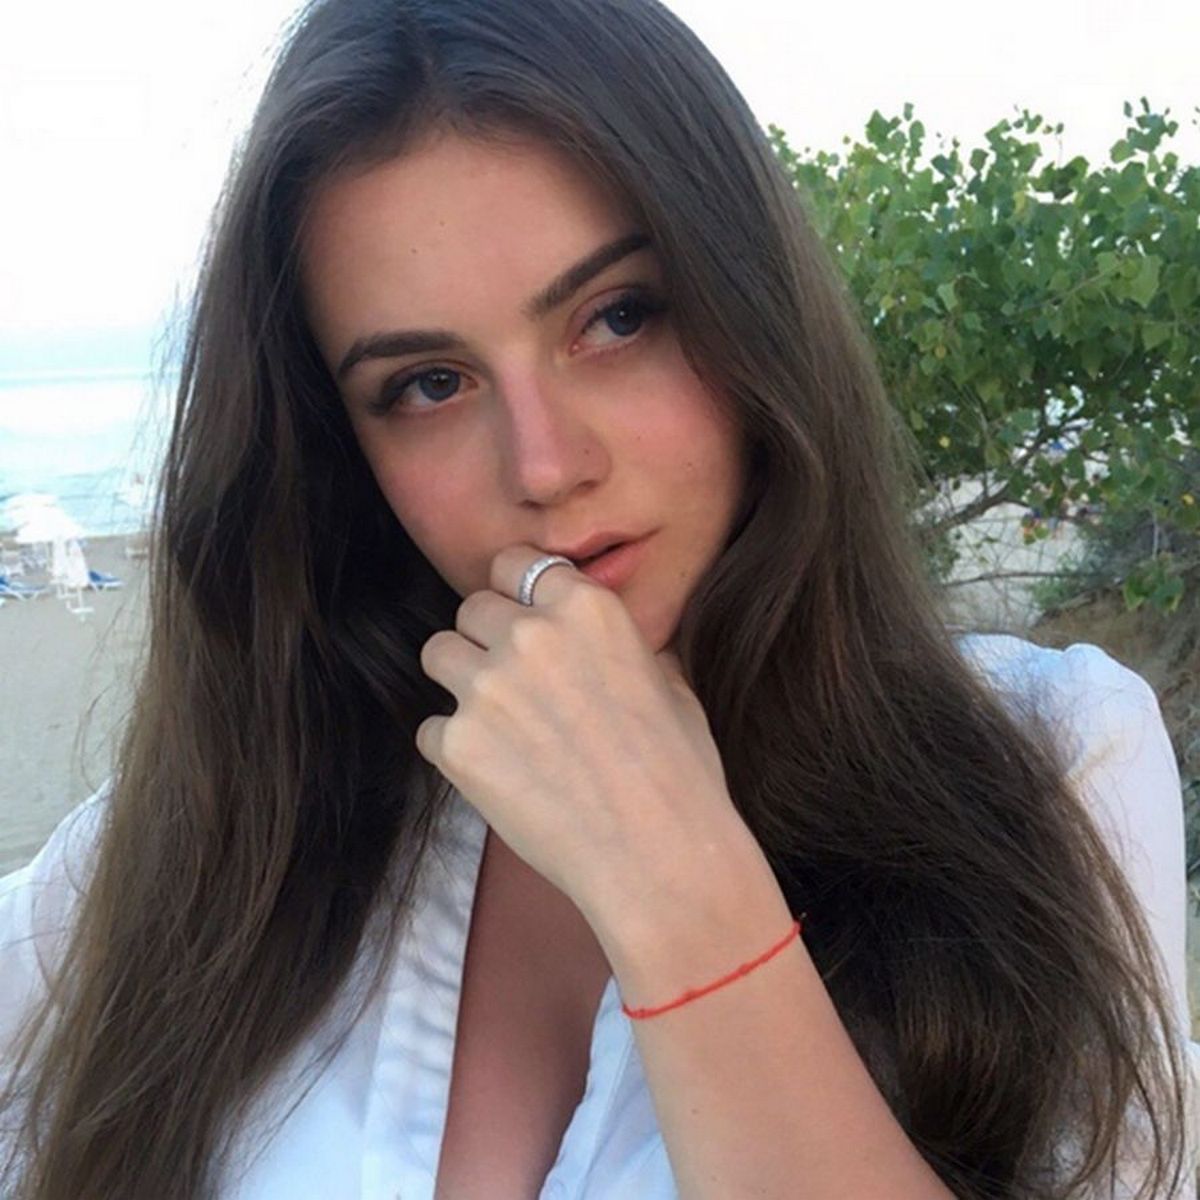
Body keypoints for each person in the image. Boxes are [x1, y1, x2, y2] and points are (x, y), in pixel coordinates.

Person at [0, 0, 1196, 1196]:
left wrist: (678, 888)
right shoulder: (209, 839)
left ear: (747, 303)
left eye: (616, 318)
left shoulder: (1048, 763)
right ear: (341, 449)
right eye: (428, 384)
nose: (545, 466)